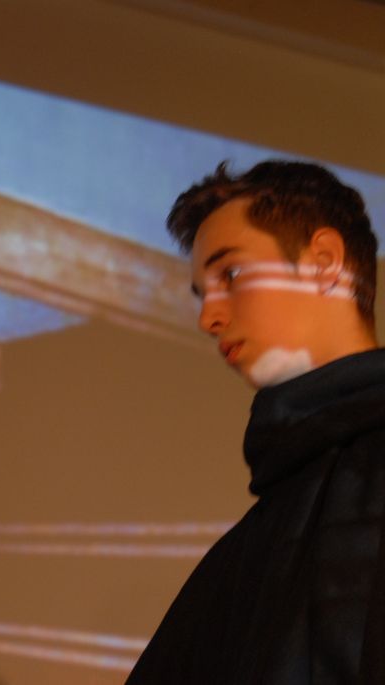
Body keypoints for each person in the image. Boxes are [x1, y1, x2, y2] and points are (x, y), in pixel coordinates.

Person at [126, 160, 385, 683]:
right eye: (203, 293)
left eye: (232, 275)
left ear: (325, 263)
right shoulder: (244, 552)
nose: (208, 318)